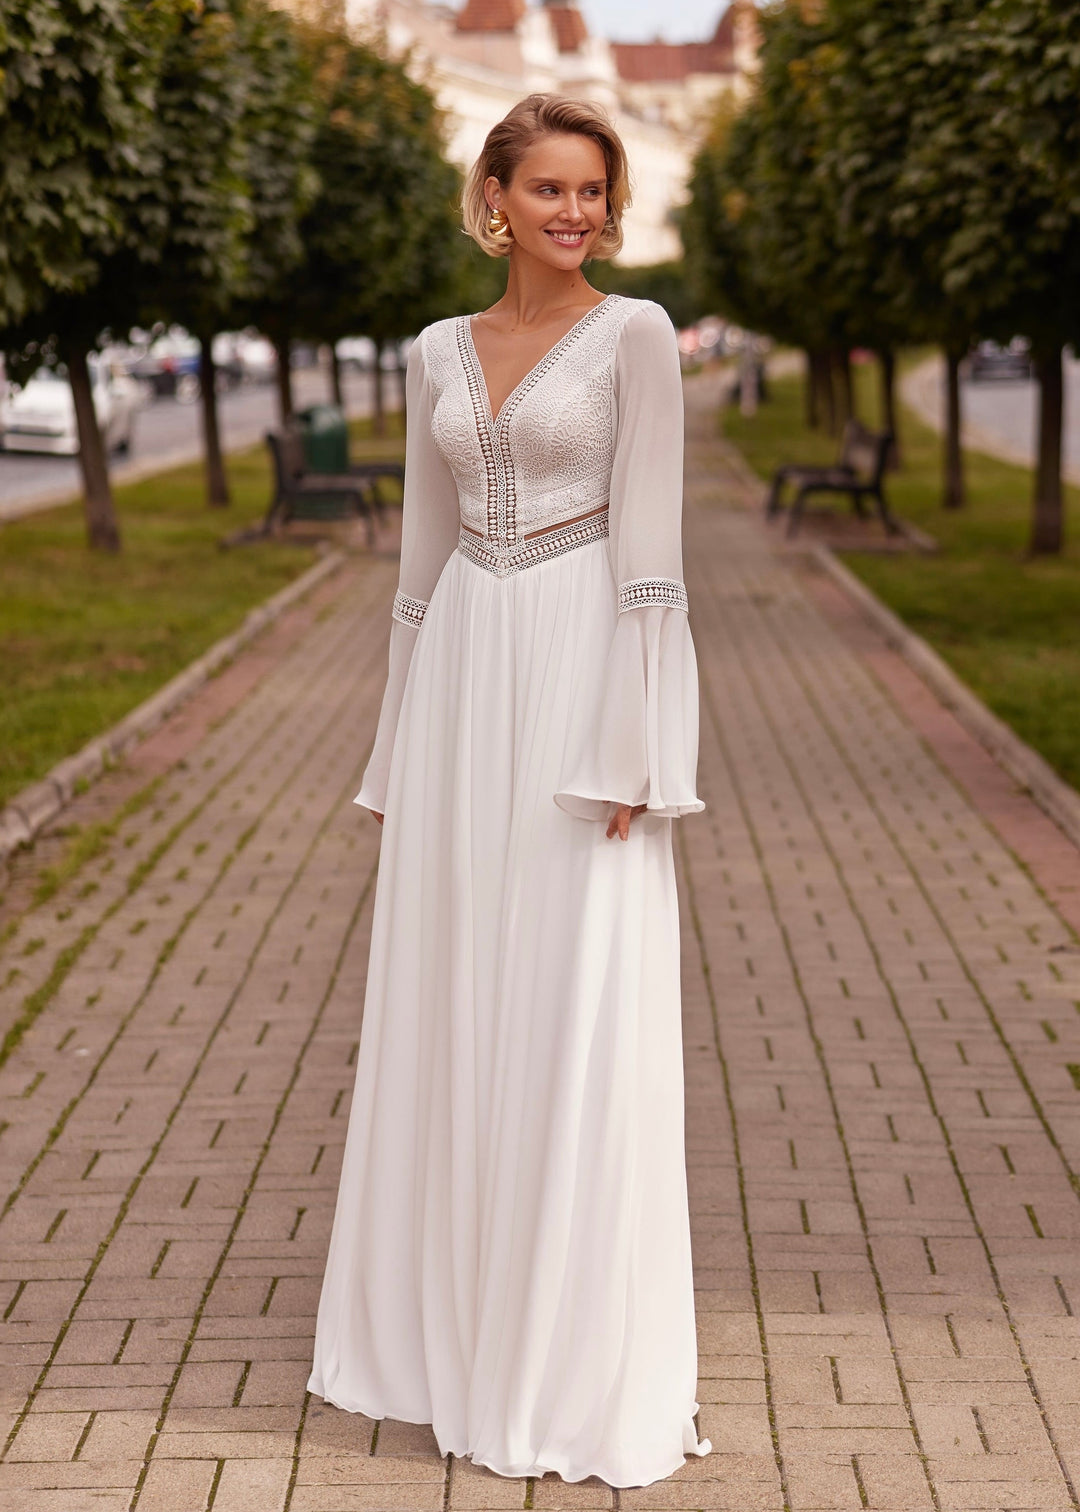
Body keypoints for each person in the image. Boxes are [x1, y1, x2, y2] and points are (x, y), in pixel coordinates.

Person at [308, 92, 709, 1489]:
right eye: (549, 189)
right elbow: (418, 574)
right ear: (494, 197)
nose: (575, 213)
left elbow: (651, 551)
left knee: (568, 1001)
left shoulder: (638, 337)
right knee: (452, 1002)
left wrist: (639, 752)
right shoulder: (433, 351)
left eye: (593, 190)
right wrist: (394, 753)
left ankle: (566, 1365)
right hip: (466, 676)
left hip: (578, 675)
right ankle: (452, 1351)